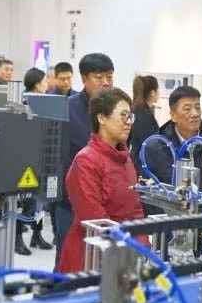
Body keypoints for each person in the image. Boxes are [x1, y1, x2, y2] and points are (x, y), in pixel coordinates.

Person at [58, 88, 147, 273]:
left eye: (130, 116)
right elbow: (95, 220)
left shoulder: (125, 159)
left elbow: (135, 210)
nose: (128, 122)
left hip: (125, 253)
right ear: (101, 118)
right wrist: (130, 247)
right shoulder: (86, 161)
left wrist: (143, 244)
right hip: (90, 257)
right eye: (123, 115)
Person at [54, 53, 114, 269]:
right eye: (99, 77)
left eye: (109, 76)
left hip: (107, 203)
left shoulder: (117, 110)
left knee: (102, 264)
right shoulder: (67, 109)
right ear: (84, 78)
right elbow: (57, 156)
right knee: (68, 261)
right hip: (71, 204)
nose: (105, 82)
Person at [13, 68, 53, 255]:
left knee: (40, 200)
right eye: (45, 80)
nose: (47, 83)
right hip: (24, 158)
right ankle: (17, 239)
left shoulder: (45, 101)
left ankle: (37, 235)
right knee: (23, 201)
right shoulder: (23, 102)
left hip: (42, 156)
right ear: (37, 83)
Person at [129, 75, 159, 174]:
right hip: (142, 166)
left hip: (138, 162)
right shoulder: (144, 115)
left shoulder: (138, 111)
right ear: (153, 93)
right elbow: (149, 143)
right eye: (158, 90)